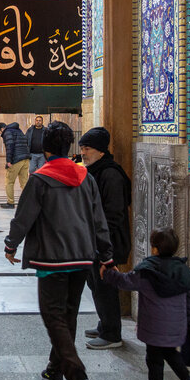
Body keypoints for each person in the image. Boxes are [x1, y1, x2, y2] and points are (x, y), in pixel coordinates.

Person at [2, 121, 113, 380]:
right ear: (70, 147)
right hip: (82, 256)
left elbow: (24, 216)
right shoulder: (85, 177)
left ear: (45, 148)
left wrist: (11, 244)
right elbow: (98, 218)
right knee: (68, 314)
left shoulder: (40, 179)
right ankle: (55, 370)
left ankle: (78, 378)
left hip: (51, 257)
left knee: (53, 316)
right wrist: (106, 254)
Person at [100, 229, 190, 380]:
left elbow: (125, 281)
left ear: (154, 249)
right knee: (170, 353)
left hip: (154, 327)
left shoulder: (147, 272)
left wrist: (108, 272)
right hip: (176, 326)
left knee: (154, 358)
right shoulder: (185, 272)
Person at [79, 127, 133, 350]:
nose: (83, 153)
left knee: (105, 286)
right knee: (95, 283)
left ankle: (112, 334)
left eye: (88, 148)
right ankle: (105, 324)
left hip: (109, 242)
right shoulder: (97, 170)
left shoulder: (110, 174)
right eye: (82, 148)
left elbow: (113, 214)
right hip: (97, 240)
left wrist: (105, 251)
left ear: (101, 151)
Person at [0, 121, 30, 208]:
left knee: (9, 182)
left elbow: (9, 146)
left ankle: (10, 203)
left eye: (0, 132)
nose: (1, 134)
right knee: (24, 182)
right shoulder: (18, 130)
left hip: (16, 159)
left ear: (2, 129)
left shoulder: (7, 132)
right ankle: (30, 202)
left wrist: (8, 161)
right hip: (26, 158)